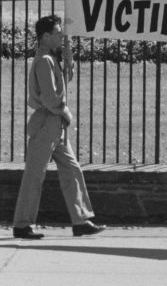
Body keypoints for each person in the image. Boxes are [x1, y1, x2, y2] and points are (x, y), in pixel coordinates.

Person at [12, 13, 105, 239]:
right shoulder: (44, 61)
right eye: (58, 33)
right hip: (47, 124)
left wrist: (68, 49)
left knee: (72, 169)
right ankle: (22, 225)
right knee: (35, 174)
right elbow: (51, 99)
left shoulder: (51, 58)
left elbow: (66, 78)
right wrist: (66, 113)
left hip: (55, 126)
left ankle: (80, 220)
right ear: (45, 36)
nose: (61, 35)